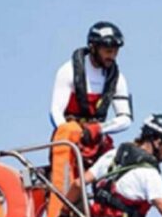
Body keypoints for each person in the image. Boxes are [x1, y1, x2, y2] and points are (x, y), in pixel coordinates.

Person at [50, 21, 132, 164]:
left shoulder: (118, 79)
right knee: (66, 143)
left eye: (115, 52)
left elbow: (126, 119)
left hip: (97, 139)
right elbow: (55, 112)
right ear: (93, 47)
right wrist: (74, 135)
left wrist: (99, 128)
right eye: (108, 51)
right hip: (69, 140)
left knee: (120, 165)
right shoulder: (68, 71)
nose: (112, 56)